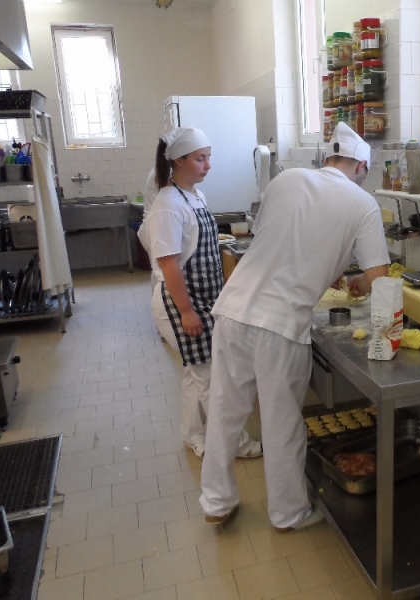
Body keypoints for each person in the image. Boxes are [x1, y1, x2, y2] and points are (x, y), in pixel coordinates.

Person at [199, 123, 390, 530]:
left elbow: (279, 240)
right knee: (281, 422)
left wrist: (325, 268)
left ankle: (216, 501)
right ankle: (288, 512)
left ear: (328, 159)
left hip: (233, 308)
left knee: (224, 411)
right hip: (280, 324)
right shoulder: (363, 203)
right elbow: (380, 278)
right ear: (361, 167)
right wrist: (356, 279)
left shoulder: (285, 181)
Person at [141, 127, 262, 460]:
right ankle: (236, 444)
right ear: (178, 160)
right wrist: (187, 312)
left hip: (202, 300)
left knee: (196, 373)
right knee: (212, 378)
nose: (208, 165)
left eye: (208, 157)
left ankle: (193, 434)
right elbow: (169, 265)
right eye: (200, 158)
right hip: (179, 303)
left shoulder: (194, 196)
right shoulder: (168, 205)